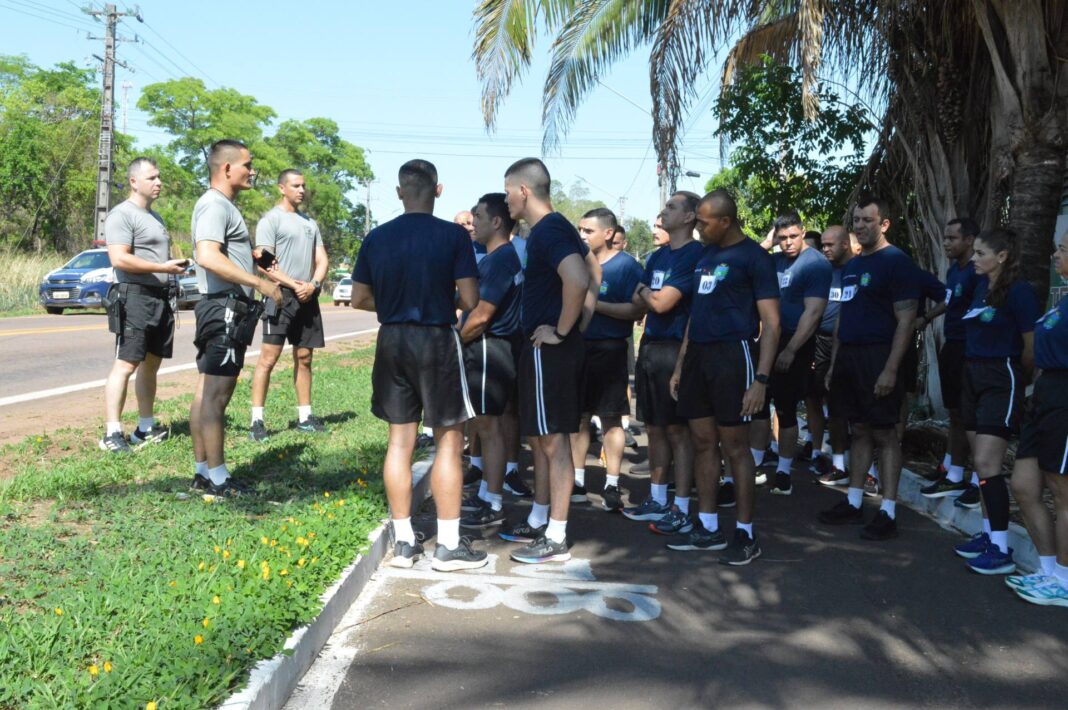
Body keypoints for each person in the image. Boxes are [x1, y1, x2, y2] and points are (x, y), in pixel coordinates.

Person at [351, 159, 487, 572]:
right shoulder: (452, 236)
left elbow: (358, 299)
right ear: (438, 190)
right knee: (449, 441)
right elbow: (471, 299)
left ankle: (405, 542)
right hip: (436, 338)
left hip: (391, 338)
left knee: (400, 442)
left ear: (399, 192)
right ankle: (448, 545)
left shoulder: (377, 237)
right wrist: (445, 298)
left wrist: (393, 303)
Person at [669, 189, 780, 564]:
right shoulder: (705, 256)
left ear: (725, 221)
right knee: (702, 442)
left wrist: (761, 380)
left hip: (735, 357)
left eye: (703, 221)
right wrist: (682, 364)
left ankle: (746, 534)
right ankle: (708, 525)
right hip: (698, 356)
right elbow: (695, 315)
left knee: (735, 447)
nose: (698, 226)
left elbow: (773, 323)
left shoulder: (755, 258)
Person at [497, 157, 596, 564]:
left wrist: (562, 329)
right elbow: (593, 275)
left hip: (548, 349)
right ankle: (540, 520)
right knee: (540, 439)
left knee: (554, 442)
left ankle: (555, 537)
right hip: (545, 349)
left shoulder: (550, 229)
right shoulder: (553, 230)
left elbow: (577, 278)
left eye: (507, 192)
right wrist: (580, 323)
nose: (506, 202)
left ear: (523, 190)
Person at [818, 195, 919, 540]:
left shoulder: (897, 262)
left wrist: (891, 369)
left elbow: (906, 320)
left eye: (867, 221)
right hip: (848, 359)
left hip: (879, 356)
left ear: (884, 224)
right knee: (858, 429)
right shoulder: (854, 266)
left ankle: (888, 511)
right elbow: (845, 316)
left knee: (885, 434)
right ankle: (854, 501)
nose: (860, 226)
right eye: (857, 220)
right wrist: (834, 364)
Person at [189, 140, 281, 496]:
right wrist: (260, 282)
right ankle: (218, 477)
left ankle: (202, 472)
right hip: (224, 308)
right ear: (226, 168)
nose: (252, 170)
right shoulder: (214, 205)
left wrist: (249, 256)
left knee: (204, 393)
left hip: (224, 307)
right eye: (247, 164)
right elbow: (207, 256)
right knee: (217, 395)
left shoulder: (221, 206)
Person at [951, 228, 1039, 575]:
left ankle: (1001, 549)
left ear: (1001, 257)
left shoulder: (1019, 292)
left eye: (980, 253)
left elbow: (1030, 348)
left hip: (1001, 377)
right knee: (981, 464)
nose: (973, 259)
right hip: (972, 374)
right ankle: (989, 536)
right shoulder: (980, 287)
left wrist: (1019, 380)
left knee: (988, 463)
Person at [625, 191, 704, 534]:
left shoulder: (695, 256)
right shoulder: (658, 257)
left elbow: (660, 304)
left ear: (690, 217)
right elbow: (643, 301)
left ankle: (681, 505)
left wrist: (646, 294)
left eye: (672, 207)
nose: (663, 211)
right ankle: (657, 498)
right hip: (652, 348)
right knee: (654, 428)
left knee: (677, 431)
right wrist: (648, 295)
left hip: (676, 349)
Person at [99, 157, 188, 453]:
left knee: (152, 364)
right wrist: (164, 269)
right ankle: (112, 433)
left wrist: (172, 269)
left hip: (160, 299)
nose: (159, 182)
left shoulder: (156, 217)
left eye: (159, 177)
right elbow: (119, 258)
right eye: (152, 178)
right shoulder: (121, 215)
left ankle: (145, 428)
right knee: (126, 363)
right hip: (134, 295)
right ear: (134, 182)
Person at [570, 208, 644, 512]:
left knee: (612, 418)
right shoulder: (576, 264)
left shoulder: (628, 267)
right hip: (577, 348)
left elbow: (636, 311)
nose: (582, 235)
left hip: (611, 349)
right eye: (580, 230)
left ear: (609, 234)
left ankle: (612, 483)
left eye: (588, 231)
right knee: (579, 418)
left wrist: (594, 304)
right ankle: (576, 481)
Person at [458, 193, 524, 530]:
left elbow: (482, 316)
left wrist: (454, 343)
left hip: (488, 348)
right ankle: (486, 493)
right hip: (491, 349)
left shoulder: (500, 259)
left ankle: (493, 501)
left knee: (490, 428)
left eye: (479, 217)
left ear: (497, 222)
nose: (473, 224)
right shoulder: (496, 258)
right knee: (487, 426)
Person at [249, 169, 330, 441]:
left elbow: (322, 260)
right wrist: (294, 284)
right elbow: (265, 265)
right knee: (268, 359)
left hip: (308, 296)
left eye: (304, 185)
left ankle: (305, 416)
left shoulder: (310, 224)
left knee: (305, 358)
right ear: (281, 188)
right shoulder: (270, 220)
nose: (302, 190)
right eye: (296, 185)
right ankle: (257, 421)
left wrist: (314, 284)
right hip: (280, 296)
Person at [1012, 228, 1068, 605]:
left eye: (1063, 249)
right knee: (1024, 484)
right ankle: (1048, 571)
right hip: (1046, 395)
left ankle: (1064, 580)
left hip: (1065, 397)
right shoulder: (1061, 301)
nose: (1055, 255)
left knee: (1063, 492)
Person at [761, 210, 831, 495]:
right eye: (782, 238)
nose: (788, 243)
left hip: (794, 343)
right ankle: (755, 462)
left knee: (786, 408)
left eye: (793, 236)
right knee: (756, 406)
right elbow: (742, 258)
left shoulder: (815, 264)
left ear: (803, 232)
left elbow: (813, 313)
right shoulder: (774, 259)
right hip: (768, 339)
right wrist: (766, 244)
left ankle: (783, 472)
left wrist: (791, 349)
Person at [921, 218, 981, 506]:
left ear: (969, 240)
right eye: (944, 238)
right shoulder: (954, 270)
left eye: (952, 238)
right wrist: (926, 319)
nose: (946, 243)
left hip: (971, 350)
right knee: (956, 413)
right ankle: (953, 474)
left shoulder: (978, 271)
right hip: (952, 345)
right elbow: (949, 301)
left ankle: (977, 481)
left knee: (973, 417)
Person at [810, 226, 854, 486]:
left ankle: (866, 470)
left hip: (853, 346)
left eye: (830, 245)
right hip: (821, 344)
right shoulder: (822, 272)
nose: (825, 249)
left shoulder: (857, 270)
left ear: (846, 245)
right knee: (822, 399)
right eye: (822, 245)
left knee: (854, 413)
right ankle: (835, 463)